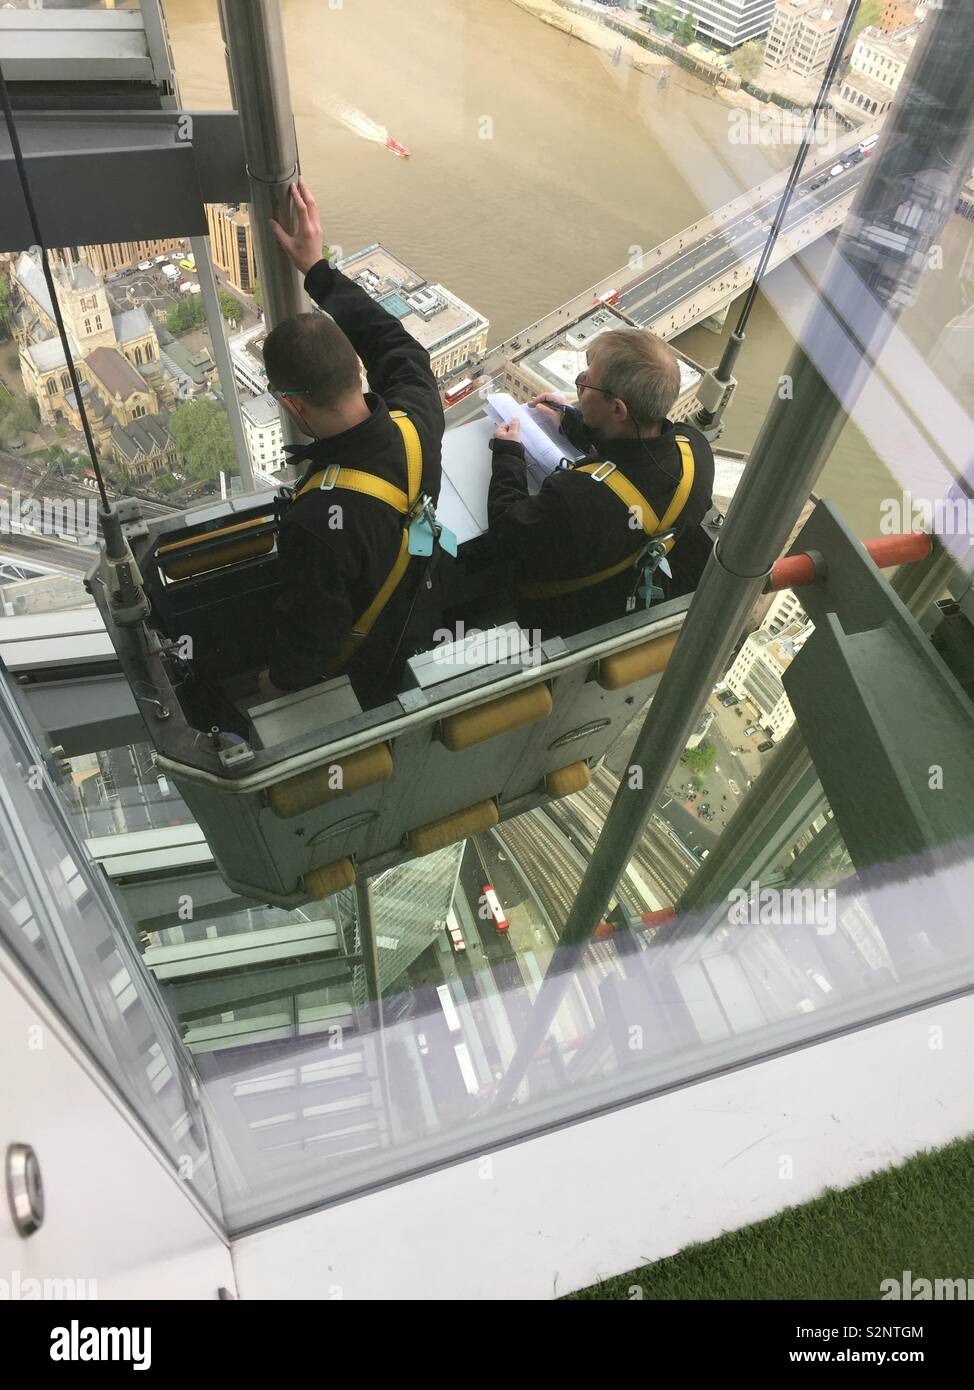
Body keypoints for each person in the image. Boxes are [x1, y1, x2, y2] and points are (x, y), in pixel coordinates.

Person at [260, 179, 445, 707]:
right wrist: (318, 272)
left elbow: (311, 636)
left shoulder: (316, 520)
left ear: (292, 404)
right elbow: (394, 342)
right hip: (425, 611)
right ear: (356, 370)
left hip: (370, 672)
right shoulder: (419, 418)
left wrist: (277, 684)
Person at [487, 329, 715, 641]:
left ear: (619, 409)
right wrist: (572, 422)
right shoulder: (695, 450)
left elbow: (506, 530)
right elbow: (635, 451)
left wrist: (508, 454)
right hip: (635, 587)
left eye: (586, 381)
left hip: (563, 620)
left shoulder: (577, 496)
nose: (579, 383)